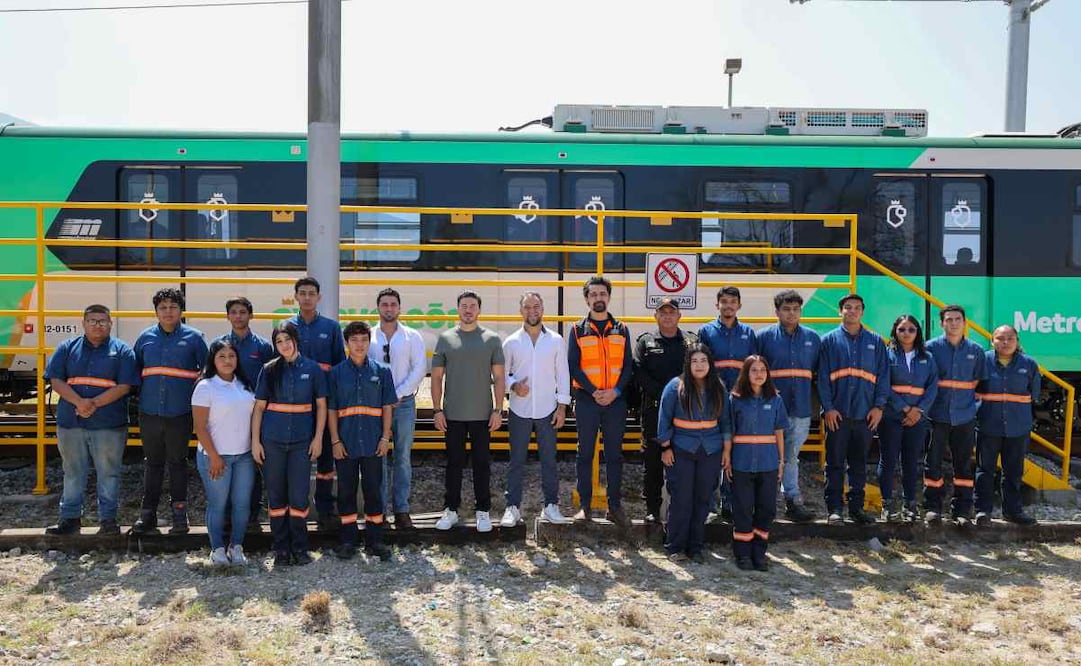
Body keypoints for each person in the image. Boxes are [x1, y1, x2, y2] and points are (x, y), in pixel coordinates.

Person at [44, 305, 139, 536]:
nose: (98, 325)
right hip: (71, 423)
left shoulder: (123, 351)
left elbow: (124, 386)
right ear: (84, 323)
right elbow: (55, 380)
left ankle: (108, 521)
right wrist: (79, 402)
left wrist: (91, 404)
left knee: (109, 473)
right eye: (93, 321)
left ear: (110, 324)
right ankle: (70, 520)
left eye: (102, 321)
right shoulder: (67, 348)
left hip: (108, 423)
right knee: (72, 472)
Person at [132, 288, 209, 536]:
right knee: (153, 463)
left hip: (180, 413)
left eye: (173, 307)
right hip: (150, 412)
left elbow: (207, 373)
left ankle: (179, 514)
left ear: (181, 310)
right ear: (156, 311)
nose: (168, 312)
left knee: (177, 463)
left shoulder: (195, 338)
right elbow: (135, 372)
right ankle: (148, 515)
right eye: (163, 307)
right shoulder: (145, 338)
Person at [252, 322, 327, 567]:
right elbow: (259, 408)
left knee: (298, 496)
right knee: (276, 496)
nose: (284, 345)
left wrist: (318, 438)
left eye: (287, 339)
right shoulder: (269, 370)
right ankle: (281, 549)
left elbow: (322, 406)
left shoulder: (313, 369)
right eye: (279, 341)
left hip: (301, 443)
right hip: (272, 442)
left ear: (296, 340)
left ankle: (300, 547)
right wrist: (255, 442)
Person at [431, 291, 505, 532]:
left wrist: (498, 410)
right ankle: (451, 509)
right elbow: (436, 378)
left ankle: (483, 510)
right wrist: (437, 410)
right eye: (464, 306)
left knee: (482, 464)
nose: (468, 310)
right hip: (452, 414)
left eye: (473, 306)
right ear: (458, 309)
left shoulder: (492, 339)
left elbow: (499, 377)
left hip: (483, 415)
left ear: (479, 310)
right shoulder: (445, 339)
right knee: (454, 463)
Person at [502, 291, 572, 527]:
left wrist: (562, 408)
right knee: (516, 460)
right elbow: (501, 376)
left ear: (542, 309)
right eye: (527, 307)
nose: (532, 311)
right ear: (520, 311)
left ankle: (551, 506)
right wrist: (514, 385)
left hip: (547, 410)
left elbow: (563, 375)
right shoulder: (511, 342)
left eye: (536, 307)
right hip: (519, 410)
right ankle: (512, 507)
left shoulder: (555, 341)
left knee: (549, 460)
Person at [327, 321, 396, 560]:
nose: (359, 345)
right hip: (345, 443)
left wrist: (385, 437)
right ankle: (348, 541)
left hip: (373, 442)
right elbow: (331, 409)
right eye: (354, 340)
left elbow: (387, 407)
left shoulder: (382, 371)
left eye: (364, 340)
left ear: (369, 342)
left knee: (373, 491)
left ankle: (375, 541)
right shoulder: (336, 373)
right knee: (346, 491)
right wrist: (335, 441)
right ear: (347, 343)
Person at [817, 293, 888, 525]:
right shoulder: (828, 341)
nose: (852, 311)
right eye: (848, 307)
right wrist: (828, 408)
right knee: (835, 463)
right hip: (837, 414)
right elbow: (822, 378)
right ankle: (835, 509)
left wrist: (879, 407)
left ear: (863, 312)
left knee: (859, 464)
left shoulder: (876, 342)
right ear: (840, 311)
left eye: (857, 307)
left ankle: (856, 509)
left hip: (865, 414)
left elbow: (883, 376)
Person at [568, 276, 633, 528]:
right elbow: (574, 366)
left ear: (609, 297)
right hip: (587, 400)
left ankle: (614, 507)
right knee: (585, 453)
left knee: (614, 455)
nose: (598, 298)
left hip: (615, 401)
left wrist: (615, 391)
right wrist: (595, 391)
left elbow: (627, 366)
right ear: (587, 299)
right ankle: (584, 507)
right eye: (593, 294)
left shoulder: (622, 329)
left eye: (602, 293)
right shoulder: (577, 329)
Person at [657, 343, 731, 563]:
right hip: (681, 450)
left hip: (711, 451)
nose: (699, 365)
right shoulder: (675, 387)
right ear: (688, 364)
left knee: (703, 499)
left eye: (703, 361)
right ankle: (675, 546)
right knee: (681, 499)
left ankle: (696, 547)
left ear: (710, 363)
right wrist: (665, 448)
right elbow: (664, 419)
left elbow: (726, 422)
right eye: (694, 361)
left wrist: (726, 450)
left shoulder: (718, 388)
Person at [754, 289, 820, 523]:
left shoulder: (813, 339)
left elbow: (818, 373)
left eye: (795, 309)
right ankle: (765, 503)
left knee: (791, 456)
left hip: (800, 409)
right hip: (769, 409)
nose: (791, 313)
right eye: (786, 309)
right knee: (767, 456)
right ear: (777, 312)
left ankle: (791, 502)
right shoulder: (763, 338)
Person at [286, 277, 345, 533]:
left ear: (318, 297)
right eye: (303, 293)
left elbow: (338, 366)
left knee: (326, 460)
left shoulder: (331, 327)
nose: (307, 297)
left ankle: (325, 509)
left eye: (312, 293)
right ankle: (296, 509)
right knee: (298, 458)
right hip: (295, 405)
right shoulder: (287, 327)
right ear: (296, 297)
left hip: (325, 403)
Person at [192, 339, 256, 566]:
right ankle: (217, 549)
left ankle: (236, 547)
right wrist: (214, 457)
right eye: (222, 356)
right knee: (218, 504)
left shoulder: (244, 385)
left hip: (244, 456)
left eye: (231, 356)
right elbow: (200, 427)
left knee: (242, 504)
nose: (227, 361)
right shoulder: (205, 387)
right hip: (216, 456)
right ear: (213, 360)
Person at [633, 297, 697, 524]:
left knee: (684, 460)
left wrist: (679, 396)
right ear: (656, 316)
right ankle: (652, 508)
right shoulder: (646, 342)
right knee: (652, 462)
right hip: (654, 411)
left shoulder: (691, 342)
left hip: (684, 412)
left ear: (679, 316)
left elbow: (699, 370)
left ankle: (682, 509)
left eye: (672, 312)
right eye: (663, 312)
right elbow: (638, 371)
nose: (668, 316)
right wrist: (666, 395)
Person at [698, 286, 757, 521]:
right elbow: (700, 365)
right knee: (714, 451)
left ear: (739, 305)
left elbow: (753, 368)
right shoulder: (706, 331)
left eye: (733, 301)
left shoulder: (748, 333)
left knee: (736, 451)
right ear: (717, 305)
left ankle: (729, 502)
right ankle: (710, 504)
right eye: (724, 301)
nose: (728, 305)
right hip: (715, 399)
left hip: (741, 400)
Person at [925, 305, 987, 526]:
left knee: (963, 465)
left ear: (964, 322)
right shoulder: (930, 348)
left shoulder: (976, 351)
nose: (953, 323)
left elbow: (979, 382)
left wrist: (972, 409)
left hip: (964, 416)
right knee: (932, 463)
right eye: (949, 319)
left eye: (957, 319)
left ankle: (962, 511)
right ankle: (933, 508)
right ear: (942, 323)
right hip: (936, 415)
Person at [216, 296, 274, 530]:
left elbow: (271, 380)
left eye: (242, 312)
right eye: (234, 312)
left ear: (251, 315)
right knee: (227, 460)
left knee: (253, 461)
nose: (238, 316)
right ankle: (227, 513)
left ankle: (252, 513)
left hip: (255, 414)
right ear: (227, 316)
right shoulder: (219, 345)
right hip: (226, 414)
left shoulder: (263, 347)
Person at [725, 355, 787, 571]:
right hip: (741, 463)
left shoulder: (776, 399)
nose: (759, 374)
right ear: (746, 373)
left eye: (762, 370)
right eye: (754, 370)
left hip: (768, 463)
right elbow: (729, 432)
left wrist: (781, 461)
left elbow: (779, 432)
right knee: (742, 509)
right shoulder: (735, 399)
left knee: (766, 509)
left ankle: (759, 553)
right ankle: (742, 554)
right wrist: (728, 459)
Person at [372, 288, 426, 531]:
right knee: (379, 457)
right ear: (378, 308)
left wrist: (398, 393)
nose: (389, 308)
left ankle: (402, 510)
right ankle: (380, 511)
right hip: (376, 406)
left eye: (393, 304)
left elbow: (419, 368)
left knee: (403, 457)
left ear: (399, 308)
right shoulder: (369, 336)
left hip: (404, 404)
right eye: (385, 304)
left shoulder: (412, 336)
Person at [974, 325, 1040, 526]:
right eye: (1000, 338)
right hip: (988, 425)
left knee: (1013, 472)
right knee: (984, 470)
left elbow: (1034, 394)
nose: (1005, 342)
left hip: (1018, 427)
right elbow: (972, 390)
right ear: (992, 341)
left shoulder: (1029, 364)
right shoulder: (983, 361)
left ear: (1017, 341)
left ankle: (1012, 511)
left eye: (1010, 338)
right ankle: (982, 511)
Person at [877, 315, 937, 523]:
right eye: (902, 329)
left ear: (917, 332)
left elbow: (932, 386)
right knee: (888, 460)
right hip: (891, 416)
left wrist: (918, 411)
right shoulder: (887, 355)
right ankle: (887, 505)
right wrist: (904, 408)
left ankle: (910, 505)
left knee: (911, 462)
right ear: (895, 331)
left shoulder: (927, 357)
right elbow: (883, 384)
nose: (906, 333)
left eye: (911, 329)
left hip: (917, 419)